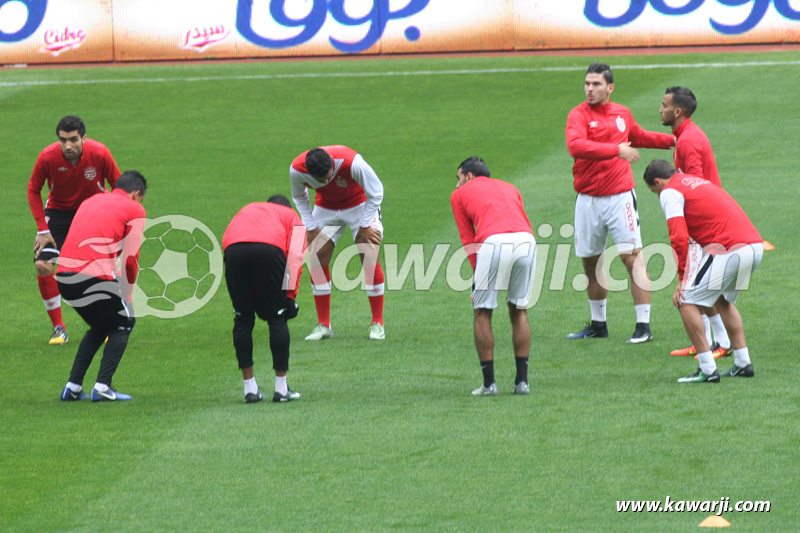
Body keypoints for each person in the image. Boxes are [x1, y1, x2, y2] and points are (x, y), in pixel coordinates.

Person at [565, 62, 675, 343]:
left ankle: (643, 327)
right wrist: (616, 150)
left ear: (610, 88)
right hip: (587, 200)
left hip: (619, 197)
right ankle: (598, 325)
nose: (590, 89)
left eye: (596, 84)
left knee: (632, 258)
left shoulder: (621, 113)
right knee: (591, 264)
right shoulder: (578, 115)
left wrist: (673, 140)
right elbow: (575, 146)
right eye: (587, 84)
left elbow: (638, 136)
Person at [643, 160, 763, 382]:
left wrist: (682, 278)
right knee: (721, 300)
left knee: (685, 300)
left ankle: (707, 370)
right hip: (754, 246)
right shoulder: (694, 181)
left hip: (729, 249)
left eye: (653, 191)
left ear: (658, 182)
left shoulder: (669, 192)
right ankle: (743, 363)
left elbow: (678, 236)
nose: (656, 194)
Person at [28, 115, 121, 345]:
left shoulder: (99, 153)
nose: (67, 146)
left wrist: (116, 222)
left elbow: (118, 186)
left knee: (99, 269)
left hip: (94, 213)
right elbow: (33, 190)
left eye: (73, 140)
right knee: (42, 265)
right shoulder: (47, 156)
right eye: (62, 140)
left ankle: (106, 323)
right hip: (58, 215)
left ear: (84, 139)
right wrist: (42, 229)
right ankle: (58, 327)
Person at [56, 171, 146, 402]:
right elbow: (130, 259)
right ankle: (103, 388)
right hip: (92, 276)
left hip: (64, 276)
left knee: (100, 326)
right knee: (124, 322)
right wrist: (127, 295)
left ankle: (73, 387)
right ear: (137, 194)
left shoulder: (92, 199)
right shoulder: (135, 209)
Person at [450, 157, 536, 396]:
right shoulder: (510, 187)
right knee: (519, 310)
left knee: (482, 311)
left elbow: (468, 240)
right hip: (527, 241)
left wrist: (477, 282)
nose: (457, 185)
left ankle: (489, 384)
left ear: (468, 176)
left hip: (493, 242)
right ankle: (522, 383)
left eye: (458, 178)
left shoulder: (459, 195)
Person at [659, 86, 731, 359]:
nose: (660, 109)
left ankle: (720, 343)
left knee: (697, 286)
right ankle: (708, 341)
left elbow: (695, 188)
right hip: (706, 224)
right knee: (700, 286)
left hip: (705, 226)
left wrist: (690, 230)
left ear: (677, 111)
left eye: (664, 105)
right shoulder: (686, 135)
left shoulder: (688, 141)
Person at [290, 146, 385, 341]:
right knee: (316, 256)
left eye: (328, 177)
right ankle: (324, 325)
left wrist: (366, 224)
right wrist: (309, 226)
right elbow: (299, 196)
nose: (326, 182)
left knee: (368, 253)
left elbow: (376, 192)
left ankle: (377, 323)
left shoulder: (352, 163)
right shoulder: (297, 170)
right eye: (321, 181)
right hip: (326, 207)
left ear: (332, 164)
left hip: (359, 205)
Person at [222, 195, 306, 403]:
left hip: (233, 248)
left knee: (242, 318)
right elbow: (295, 256)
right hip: (269, 249)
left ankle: (249, 389)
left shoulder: (249, 207)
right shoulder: (292, 215)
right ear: (286, 207)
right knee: (277, 317)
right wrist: (289, 297)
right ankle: (281, 389)